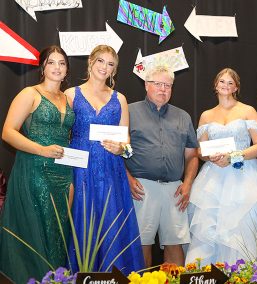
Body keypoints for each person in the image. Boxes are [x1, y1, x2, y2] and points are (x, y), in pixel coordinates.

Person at [185, 68, 257, 265]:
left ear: (236, 87)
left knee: (243, 227)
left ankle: (248, 274)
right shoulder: (206, 115)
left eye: (230, 83)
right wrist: (210, 156)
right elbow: (200, 151)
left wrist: (233, 156)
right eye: (222, 82)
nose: (226, 86)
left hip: (244, 176)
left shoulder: (247, 111)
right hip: (213, 179)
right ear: (215, 85)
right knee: (210, 230)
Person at [65, 45, 144, 274]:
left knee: (111, 223)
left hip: (112, 170)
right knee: (81, 221)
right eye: (101, 61)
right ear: (90, 61)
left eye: (110, 64)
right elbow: (63, 134)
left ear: (115, 70)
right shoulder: (71, 94)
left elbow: (127, 142)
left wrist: (121, 149)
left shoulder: (120, 99)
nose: (104, 67)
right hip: (80, 168)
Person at [0, 45, 74, 283]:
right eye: (51, 62)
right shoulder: (29, 94)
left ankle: (57, 279)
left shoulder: (68, 98)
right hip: (35, 169)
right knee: (39, 229)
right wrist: (42, 149)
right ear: (42, 67)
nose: (57, 67)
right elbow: (8, 132)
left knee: (58, 233)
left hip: (63, 173)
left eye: (62, 63)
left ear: (67, 69)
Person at [125, 65, 199, 267]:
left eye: (168, 85)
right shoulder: (128, 111)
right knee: (141, 243)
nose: (163, 89)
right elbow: (115, 150)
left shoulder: (183, 116)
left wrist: (188, 184)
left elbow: (193, 156)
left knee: (175, 244)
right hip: (141, 188)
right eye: (158, 84)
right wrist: (128, 179)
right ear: (146, 85)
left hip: (175, 189)